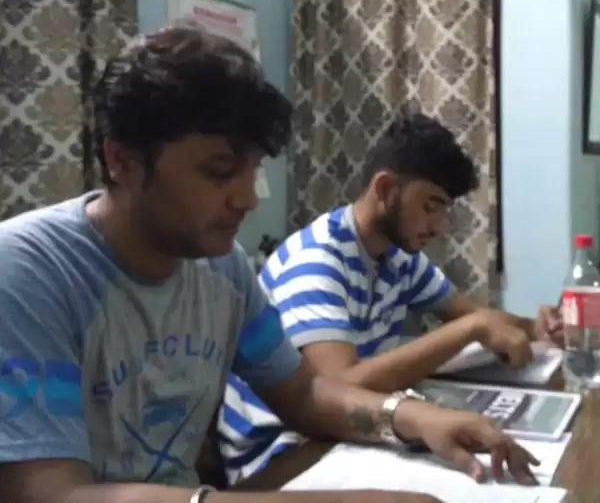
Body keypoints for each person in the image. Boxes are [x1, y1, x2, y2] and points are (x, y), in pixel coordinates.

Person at [0, 28, 538, 503]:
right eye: (219, 171)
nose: (247, 198)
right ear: (123, 160)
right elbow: (50, 495)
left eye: (252, 171)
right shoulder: (28, 272)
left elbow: (303, 393)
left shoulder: (222, 270)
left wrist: (413, 418)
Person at [218, 113, 564, 485]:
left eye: (444, 210)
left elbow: (478, 317)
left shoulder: (399, 257)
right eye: (430, 206)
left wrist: (535, 327)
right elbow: (339, 387)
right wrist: (469, 329)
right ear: (385, 189)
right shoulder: (315, 261)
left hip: (345, 432)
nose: (438, 226)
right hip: (280, 455)